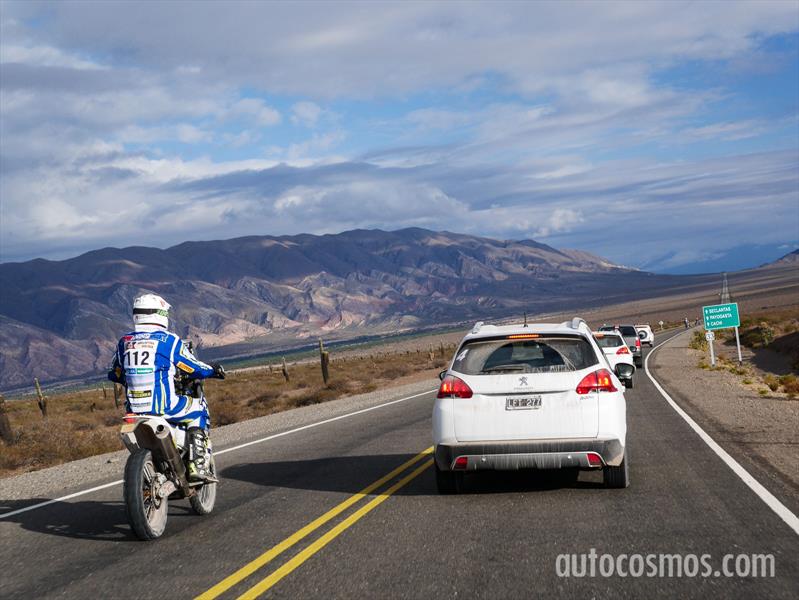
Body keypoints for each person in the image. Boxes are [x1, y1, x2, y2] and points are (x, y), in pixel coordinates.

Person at [108, 294, 225, 481]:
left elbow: (114, 373)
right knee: (199, 409)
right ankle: (198, 465)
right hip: (165, 406)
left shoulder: (124, 342)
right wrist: (212, 370)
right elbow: (193, 367)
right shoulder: (168, 341)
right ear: (161, 315)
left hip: (133, 411)